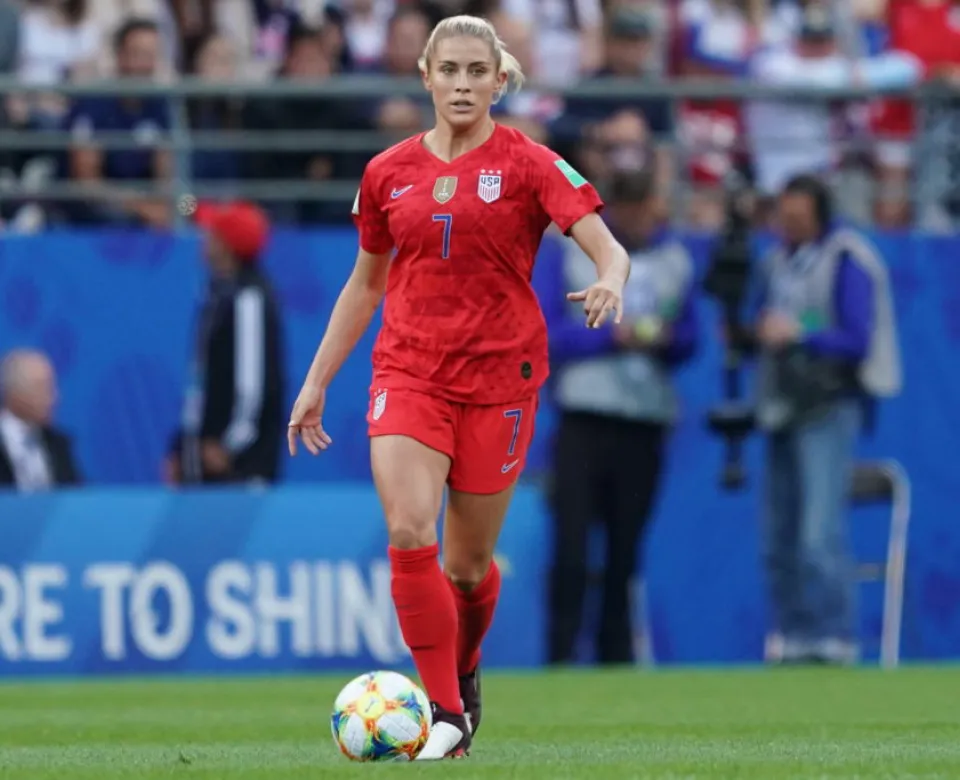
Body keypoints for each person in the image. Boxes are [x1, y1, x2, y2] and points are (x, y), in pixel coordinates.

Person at [286, 15, 630, 760]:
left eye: (479, 71)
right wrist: (317, 380)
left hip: (500, 380)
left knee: (468, 569)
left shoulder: (533, 163)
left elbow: (610, 248)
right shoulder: (387, 172)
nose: (464, 84)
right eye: (451, 71)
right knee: (410, 527)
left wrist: (609, 279)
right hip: (408, 371)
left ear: (500, 81)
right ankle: (444, 712)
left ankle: (464, 676)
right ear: (426, 76)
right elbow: (365, 283)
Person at [541, 169, 698, 666]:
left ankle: (616, 658)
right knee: (571, 546)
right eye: (624, 209)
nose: (636, 219)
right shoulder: (570, 255)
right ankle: (561, 655)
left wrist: (666, 340)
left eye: (641, 207)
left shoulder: (675, 262)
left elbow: (691, 337)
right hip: (584, 417)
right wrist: (611, 336)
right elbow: (545, 336)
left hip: (644, 419)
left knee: (624, 550)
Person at [751, 174, 901, 665]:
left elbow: (857, 339)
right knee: (780, 536)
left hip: (828, 406)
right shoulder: (775, 261)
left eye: (799, 218)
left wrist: (798, 335)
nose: (789, 227)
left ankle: (835, 636)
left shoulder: (846, 259)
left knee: (819, 532)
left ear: (819, 214)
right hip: (781, 405)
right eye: (783, 218)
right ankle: (793, 635)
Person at [166, 201, 285, 486]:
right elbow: (202, 384)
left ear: (227, 246)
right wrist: (182, 447)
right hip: (206, 458)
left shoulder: (248, 299)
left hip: (237, 467)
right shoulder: (220, 295)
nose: (204, 240)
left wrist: (230, 443)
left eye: (212, 234)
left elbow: (252, 383)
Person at [0, 350, 82, 490]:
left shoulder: (58, 444)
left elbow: (77, 498)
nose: (54, 398)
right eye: (42, 387)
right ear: (13, 392)